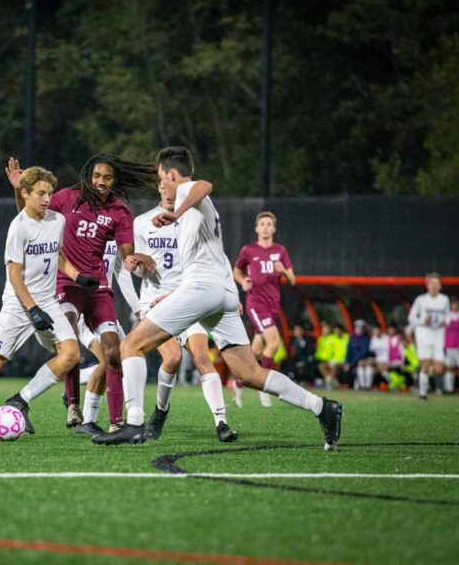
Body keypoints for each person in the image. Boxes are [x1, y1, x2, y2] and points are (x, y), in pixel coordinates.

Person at [92, 146, 343, 450]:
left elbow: (204, 185)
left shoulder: (187, 191)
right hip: (220, 292)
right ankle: (323, 408)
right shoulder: (189, 208)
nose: (163, 183)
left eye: (162, 177)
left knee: (131, 345)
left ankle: (133, 424)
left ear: (172, 174)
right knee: (248, 373)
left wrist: (176, 213)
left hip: (203, 289)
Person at [0, 166, 99, 438]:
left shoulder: (56, 221)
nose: (47, 199)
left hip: (47, 303)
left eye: (49, 193)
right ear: (25, 193)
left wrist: (77, 276)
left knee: (71, 355)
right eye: (40, 193)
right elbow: (14, 274)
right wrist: (32, 308)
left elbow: (58, 254)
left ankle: (20, 400)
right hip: (19, 305)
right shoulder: (18, 228)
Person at [5, 155, 157, 429]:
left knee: (113, 350)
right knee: (70, 333)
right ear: (88, 175)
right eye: (97, 176)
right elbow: (28, 219)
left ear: (114, 181)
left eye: (107, 177)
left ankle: (116, 424)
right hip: (64, 284)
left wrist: (134, 258)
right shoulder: (66, 198)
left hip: (96, 287)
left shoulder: (119, 212)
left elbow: (126, 251)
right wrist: (19, 190)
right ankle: (73, 404)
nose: (101, 182)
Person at [132, 183, 237, 442]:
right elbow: (136, 267)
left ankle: (221, 422)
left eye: (176, 185)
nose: (171, 190)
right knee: (172, 358)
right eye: (165, 184)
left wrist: (231, 289)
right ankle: (160, 411)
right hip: (156, 301)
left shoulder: (193, 216)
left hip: (190, 298)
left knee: (202, 356)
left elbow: (218, 257)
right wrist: (137, 263)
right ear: (159, 186)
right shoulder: (142, 221)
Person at [74, 240, 140, 435]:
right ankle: (90, 419)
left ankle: (88, 416)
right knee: (109, 358)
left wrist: (137, 308)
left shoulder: (115, 231)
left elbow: (121, 272)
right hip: (82, 307)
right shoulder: (82, 225)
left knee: (122, 360)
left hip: (103, 309)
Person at [233, 211, 295, 407]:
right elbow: (236, 271)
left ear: (274, 228)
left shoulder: (280, 251)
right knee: (274, 343)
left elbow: (293, 280)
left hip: (273, 306)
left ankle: (237, 382)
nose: (266, 227)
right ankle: (264, 387)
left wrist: (283, 270)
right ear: (257, 228)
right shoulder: (248, 250)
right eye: (263, 224)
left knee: (256, 351)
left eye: (269, 224)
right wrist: (243, 281)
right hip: (256, 304)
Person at [408, 273, 450, 400]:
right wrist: (422, 321)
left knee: (438, 368)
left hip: (438, 334)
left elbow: (448, 316)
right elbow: (411, 317)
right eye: (431, 283)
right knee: (425, 364)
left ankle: (425, 379)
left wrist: (445, 322)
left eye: (436, 284)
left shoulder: (444, 299)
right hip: (424, 334)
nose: (434, 286)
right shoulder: (421, 300)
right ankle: (423, 393)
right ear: (427, 285)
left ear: (440, 286)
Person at [345, 320, 375, 389]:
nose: (359, 329)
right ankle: (362, 386)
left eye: (361, 328)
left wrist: (354, 361)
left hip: (361, 360)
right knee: (359, 367)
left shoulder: (366, 339)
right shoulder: (351, 338)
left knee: (366, 367)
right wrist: (347, 362)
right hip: (354, 362)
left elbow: (363, 352)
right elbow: (348, 351)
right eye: (357, 327)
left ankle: (367, 386)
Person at [444, 296, 459, 393]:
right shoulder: (447, 316)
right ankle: (448, 388)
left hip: (458, 346)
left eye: (456, 303)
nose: (454, 305)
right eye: (452, 304)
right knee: (449, 367)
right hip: (449, 346)